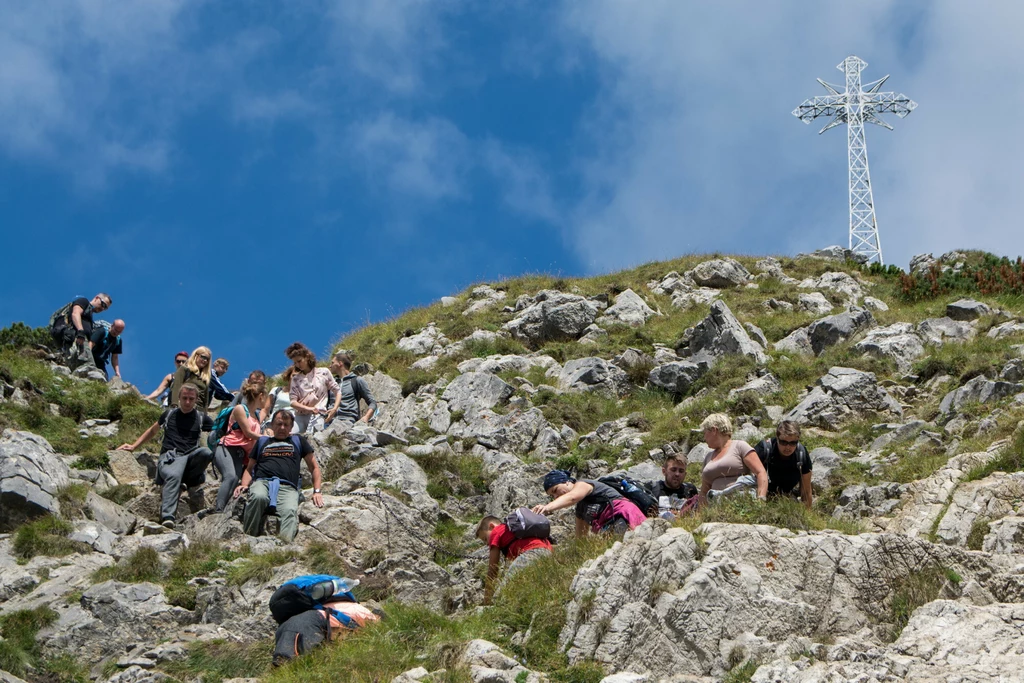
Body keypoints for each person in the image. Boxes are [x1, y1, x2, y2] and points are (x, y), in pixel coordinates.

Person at [116, 383, 214, 529]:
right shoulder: (169, 414)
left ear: (196, 400)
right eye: (185, 398)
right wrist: (134, 446)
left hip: (190, 457)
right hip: (171, 457)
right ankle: (168, 516)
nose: (187, 402)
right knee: (174, 475)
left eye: (191, 399)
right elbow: (152, 431)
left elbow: (218, 433)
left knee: (206, 453)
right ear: (179, 398)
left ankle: (187, 480)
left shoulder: (202, 418)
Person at [234, 410, 325, 542]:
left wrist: (317, 491)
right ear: (272, 425)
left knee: (289, 510)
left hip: (288, 487)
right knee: (258, 497)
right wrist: (244, 484)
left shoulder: (298, 440)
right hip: (262, 482)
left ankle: (284, 548)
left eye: (286, 425)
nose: (282, 427)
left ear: (291, 426)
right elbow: (249, 468)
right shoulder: (262, 442)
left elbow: (314, 467)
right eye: (279, 424)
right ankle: (248, 539)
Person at [532, 470, 646, 537]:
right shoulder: (581, 509)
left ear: (566, 482)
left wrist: (547, 507)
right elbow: (580, 538)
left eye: (555, 490)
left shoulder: (583, 484)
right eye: (552, 496)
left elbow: (572, 497)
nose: (556, 496)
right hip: (612, 529)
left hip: (626, 516)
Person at [211, 378, 266, 513]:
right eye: (265, 397)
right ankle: (218, 510)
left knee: (235, 479)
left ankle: (224, 509)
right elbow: (248, 433)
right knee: (230, 476)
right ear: (260, 396)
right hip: (227, 448)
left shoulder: (257, 416)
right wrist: (268, 438)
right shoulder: (240, 409)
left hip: (241, 454)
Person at [476, 515, 553, 604]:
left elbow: (492, 569)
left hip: (530, 555)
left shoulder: (496, 532)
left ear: (491, 526)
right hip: (547, 552)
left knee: (500, 596)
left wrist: (487, 599)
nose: (486, 543)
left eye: (485, 539)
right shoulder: (510, 531)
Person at [698, 413, 768, 505]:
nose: (704, 437)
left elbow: (760, 472)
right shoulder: (708, 457)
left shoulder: (740, 446)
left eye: (705, 432)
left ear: (714, 430)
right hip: (715, 507)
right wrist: (701, 515)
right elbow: (704, 491)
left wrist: (761, 499)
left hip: (740, 503)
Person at [754, 421, 814, 509]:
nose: (788, 447)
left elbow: (806, 491)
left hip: (786, 498)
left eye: (793, 443)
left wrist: (808, 515)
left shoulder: (801, 454)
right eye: (783, 442)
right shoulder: (764, 449)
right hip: (760, 497)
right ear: (777, 438)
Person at [285, 343, 340, 435]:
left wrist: (334, 409)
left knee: (315, 440)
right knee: (292, 437)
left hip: (318, 415)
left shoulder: (324, 372)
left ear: (306, 357)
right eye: (295, 363)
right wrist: (309, 408)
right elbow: (293, 402)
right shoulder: (296, 379)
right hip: (300, 416)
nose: (298, 365)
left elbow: (337, 391)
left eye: (299, 361)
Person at [49, 293, 111, 362]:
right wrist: (80, 331)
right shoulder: (84, 301)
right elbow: (75, 313)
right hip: (76, 338)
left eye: (105, 308)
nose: (102, 308)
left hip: (78, 340)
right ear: (97, 298)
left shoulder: (89, 314)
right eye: (103, 304)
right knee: (87, 365)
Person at [328, 353, 377, 426]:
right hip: (328, 423)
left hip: (348, 422)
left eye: (332, 363)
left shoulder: (356, 380)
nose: (330, 366)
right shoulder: (331, 383)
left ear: (340, 363)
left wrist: (366, 417)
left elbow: (372, 402)